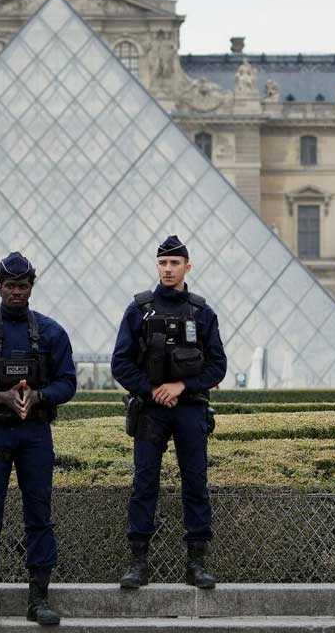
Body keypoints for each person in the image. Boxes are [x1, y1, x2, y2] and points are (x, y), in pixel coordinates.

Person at [0, 252, 77, 628]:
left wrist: (38, 396)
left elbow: (68, 383)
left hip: (35, 431)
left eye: (23, 286)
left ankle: (38, 597)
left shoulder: (52, 333)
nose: (17, 293)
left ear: (31, 287)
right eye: (10, 286)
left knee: (39, 515)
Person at [111, 235, 227, 590]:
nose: (167, 269)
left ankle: (197, 563)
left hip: (190, 409)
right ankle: (138, 562)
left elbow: (218, 367)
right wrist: (151, 391)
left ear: (187, 267)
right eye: (162, 263)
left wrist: (181, 387)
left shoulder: (202, 313)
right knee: (144, 483)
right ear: (156, 266)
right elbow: (121, 364)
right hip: (150, 411)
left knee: (196, 483)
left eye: (174, 263)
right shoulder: (139, 310)